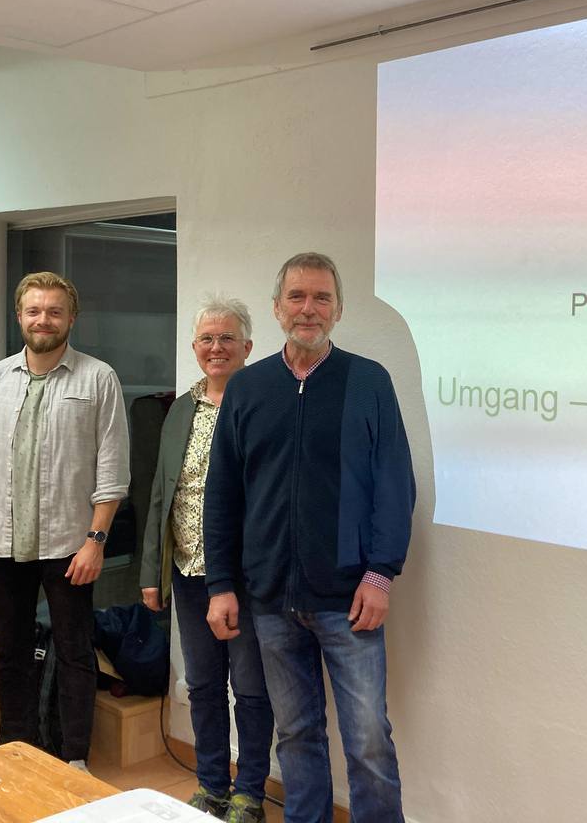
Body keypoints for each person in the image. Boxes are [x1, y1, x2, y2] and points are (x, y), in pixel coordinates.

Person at [203, 252, 415, 823]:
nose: (308, 308)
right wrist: (221, 585)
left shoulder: (369, 382)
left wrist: (380, 574)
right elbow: (222, 494)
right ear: (277, 308)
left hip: (349, 600)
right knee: (296, 736)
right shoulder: (248, 388)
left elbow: (395, 484)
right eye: (297, 296)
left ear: (338, 310)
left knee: (368, 740)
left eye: (322, 297)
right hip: (270, 600)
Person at [0, 271, 129, 771]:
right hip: (1, 543)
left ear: (71, 319)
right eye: (34, 311)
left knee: (75, 651)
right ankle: (14, 748)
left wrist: (96, 541)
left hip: (69, 545)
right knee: (10, 653)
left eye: (54, 311)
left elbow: (113, 471)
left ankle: (74, 757)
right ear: (19, 317)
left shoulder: (98, 378)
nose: (43, 320)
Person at [140, 296, 274, 823]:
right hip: (188, 571)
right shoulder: (182, 408)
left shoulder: (263, 403)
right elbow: (161, 492)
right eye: (206, 339)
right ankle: (213, 786)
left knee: (251, 688)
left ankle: (250, 794)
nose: (216, 348)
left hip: (244, 577)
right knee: (202, 685)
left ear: (247, 346)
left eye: (227, 338)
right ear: (195, 347)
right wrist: (152, 571)